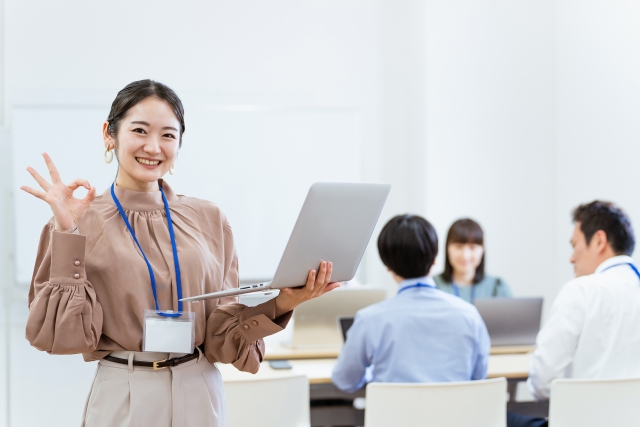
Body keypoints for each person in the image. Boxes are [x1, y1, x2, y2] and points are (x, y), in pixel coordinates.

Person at [21, 79, 339, 427]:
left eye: (168, 135)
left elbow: (221, 337)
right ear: (109, 135)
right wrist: (68, 232)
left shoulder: (209, 218)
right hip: (125, 390)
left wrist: (283, 303)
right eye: (140, 130)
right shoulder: (77, 220)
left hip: (199, 387)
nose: (153, 147)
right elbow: (61, 336)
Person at [508, 201, 640, 427]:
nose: (571, 258)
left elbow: (543, 383)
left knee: (501, 415)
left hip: (581, 422)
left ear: (599, 240)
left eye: (574, 245)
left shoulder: (580, 291)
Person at [331, 214, 490, 393]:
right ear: (435, 259)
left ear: (388, 266)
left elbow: (345, 381)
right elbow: (479, 378)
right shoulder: (469, 315)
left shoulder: (369, 319)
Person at [434, 218, 512, 303]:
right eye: (458, 246)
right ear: (447, 248)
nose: (465, 255)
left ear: (482, 250)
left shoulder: (497, 287)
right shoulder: (433, 285)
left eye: (472, 247)